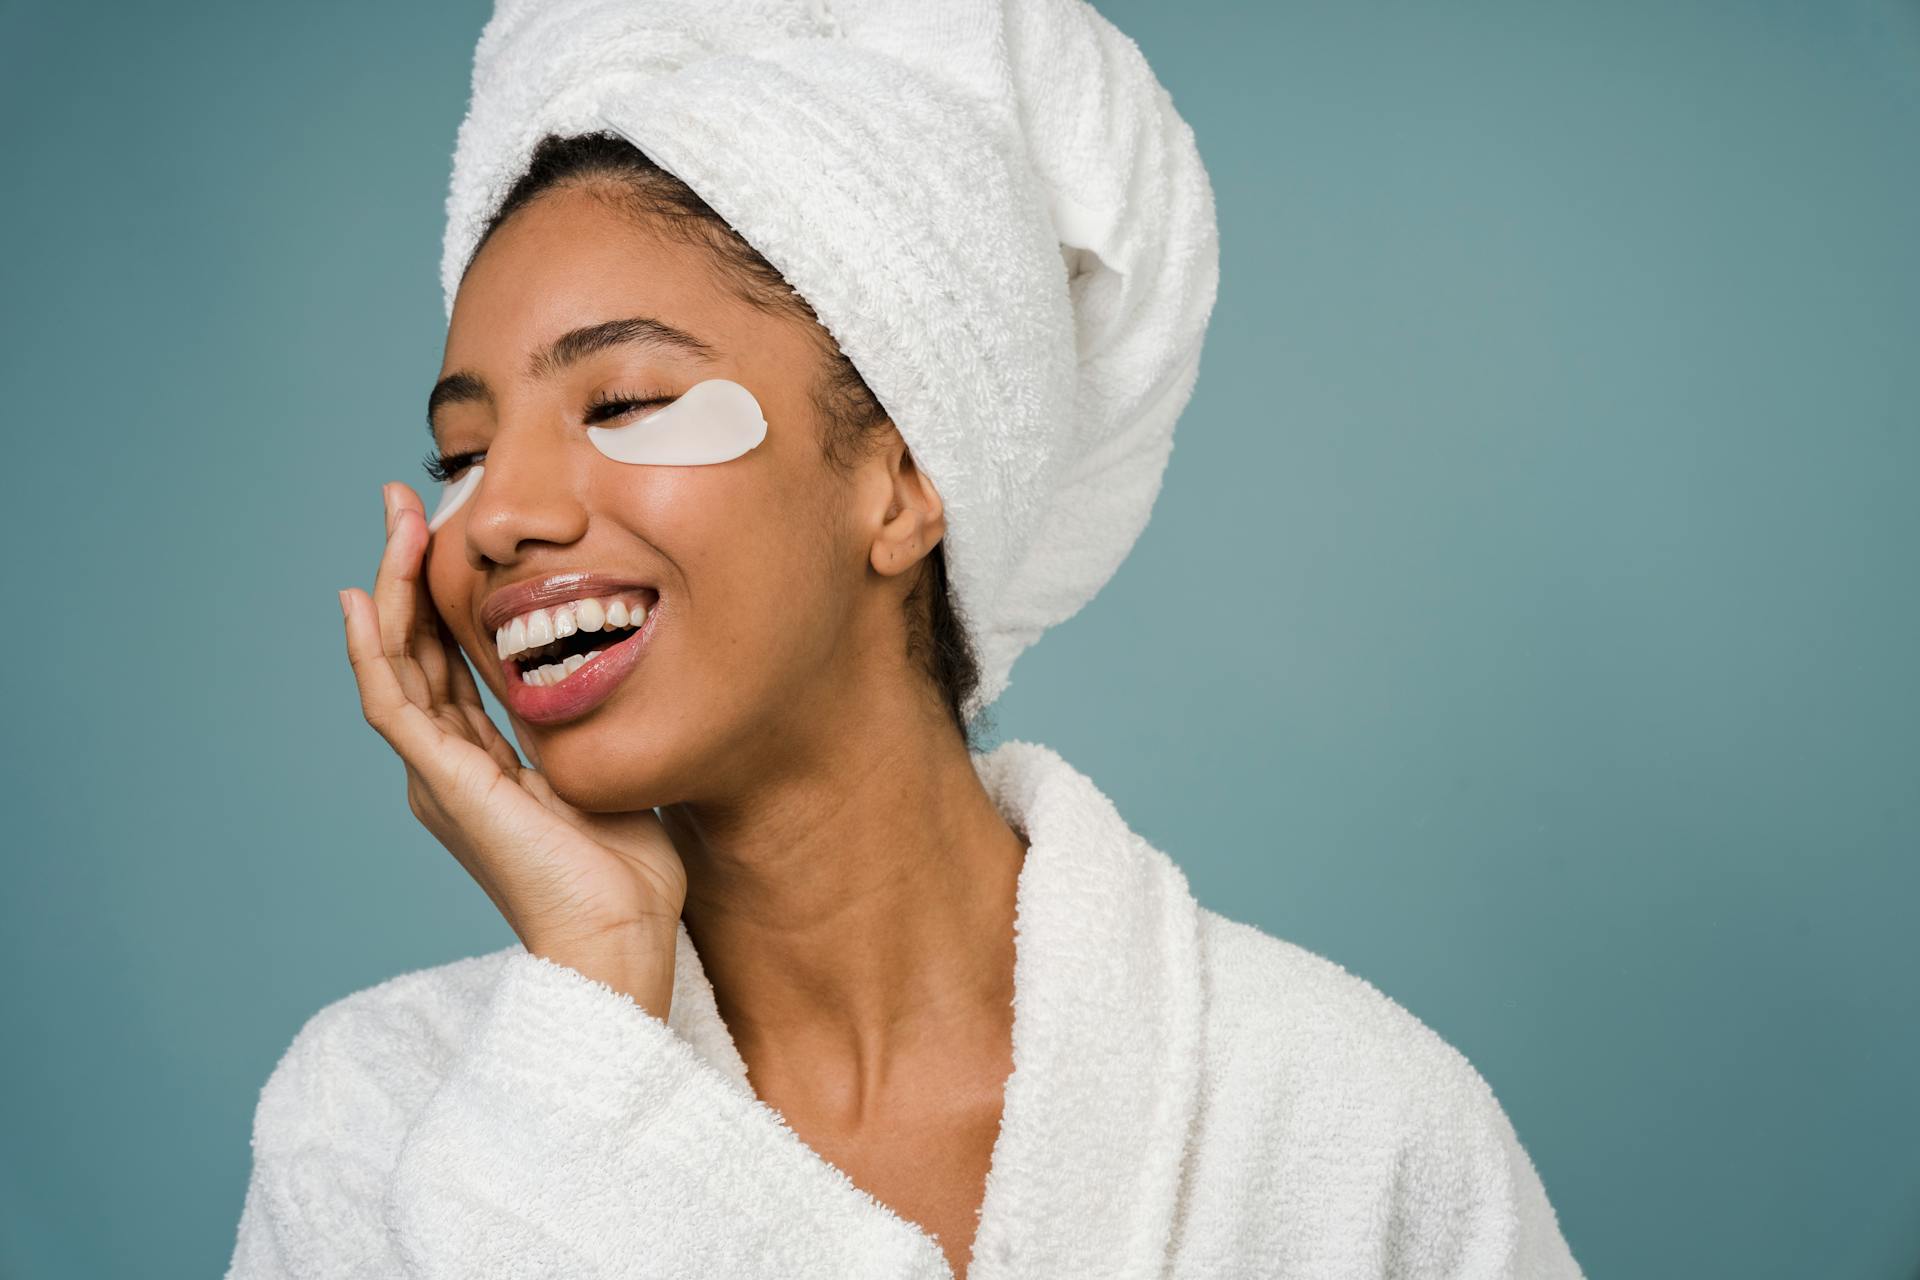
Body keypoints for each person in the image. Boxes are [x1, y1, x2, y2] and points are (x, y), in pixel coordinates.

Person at [226, 2, 1583, 1276]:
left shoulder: (1346, 1125)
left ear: (899, 480)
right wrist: (594, 993)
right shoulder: (371, 1122)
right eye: (461, 451)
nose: (497, 515)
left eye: (626, 400)